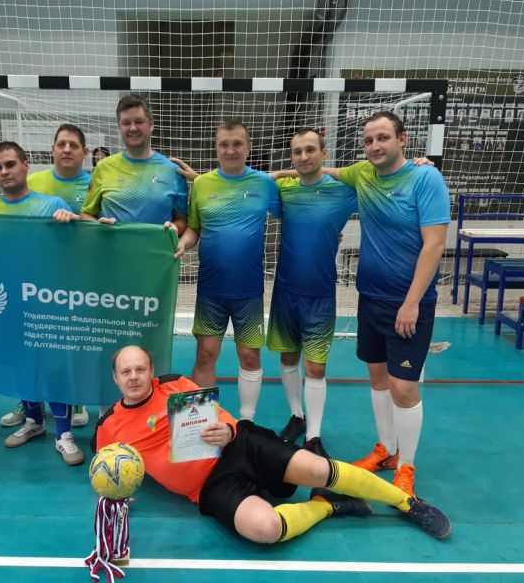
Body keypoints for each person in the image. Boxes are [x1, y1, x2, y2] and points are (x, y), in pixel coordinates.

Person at [93, 346, 451, 543]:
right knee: (264, 529)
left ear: (151, 370)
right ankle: (326, 506)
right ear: (115, 377)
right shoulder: (109, 427)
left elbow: (222, 416)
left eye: (140, 369)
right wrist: (117, 491)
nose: (134, 377)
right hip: (210, 486)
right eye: (126, 372)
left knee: (318, 469)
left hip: (239, 446)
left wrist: (228, 430)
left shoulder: (175, 386)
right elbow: (106, 467)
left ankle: (407, 503)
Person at [333, 112, 450, 498]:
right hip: (371, 299)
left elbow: (434, 244)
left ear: (403, 139)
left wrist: (411, 302)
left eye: (382, 137)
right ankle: (385, 449)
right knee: (378, 378)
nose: (374, 146)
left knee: (403, 387)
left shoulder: (426, 178)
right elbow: (319, 170)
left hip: (410, 304)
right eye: (368, 140)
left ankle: (406, 465)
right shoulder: (363, 174)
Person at [0, 141, 85, 465]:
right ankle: (34, 421)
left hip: (45, 302)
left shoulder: (52, 205)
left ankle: (64, 434)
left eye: (10, 164)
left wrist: (72, 222)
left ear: (26, 165)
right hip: (5, 304)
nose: (4, 171)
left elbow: (78, 247)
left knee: (53, 367)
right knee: (19, 364)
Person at [174, 122, 280, 423]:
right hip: (211, 290)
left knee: (249, 356)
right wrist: (182, 243)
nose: (230, 150)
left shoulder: (264, 184)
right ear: (216, 148)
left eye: (237, 144)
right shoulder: (202, 185)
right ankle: (199, 426)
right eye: (224, 144)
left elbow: (294, 205)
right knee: (206, 354)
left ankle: (246, 423)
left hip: (249, 292)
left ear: (248, 148)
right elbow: (194, 229)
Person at [267, 129, 357, 458]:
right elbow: (245, 183)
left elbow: (381, 179)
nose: (303, 157)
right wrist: (278, 174)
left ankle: (314, 436)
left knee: (315, 368)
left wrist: (420, 164)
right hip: (285, 291)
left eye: (309, 150)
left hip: (320, 295)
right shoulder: (284, 190)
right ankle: (297, 417)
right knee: (288, 358)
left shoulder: (343, 192)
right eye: (297, 152)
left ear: (324, 152)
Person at [0, 123, 92, 430]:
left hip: (69, 277)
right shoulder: (33, 182)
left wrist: (77, 220)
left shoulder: (93, 184)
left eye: (73, 145)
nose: (66, 149)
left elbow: (94, 226)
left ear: (84, 152)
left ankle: (76, 398)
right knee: (26, 348)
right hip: (24, 282)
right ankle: (29, 404)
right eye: (61, 144)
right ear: (52, 150)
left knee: (70, 346)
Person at [79, 93, 187, 235]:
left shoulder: (173, 171)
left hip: (156, 250)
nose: (133, 128)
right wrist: (98, 226)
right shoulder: (103, 167)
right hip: (113, 250)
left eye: (139, 121)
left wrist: (175, 228)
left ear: (151, 124)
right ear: (119, 127)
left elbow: (182, 220)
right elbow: (86, 214)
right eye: (126, 123)